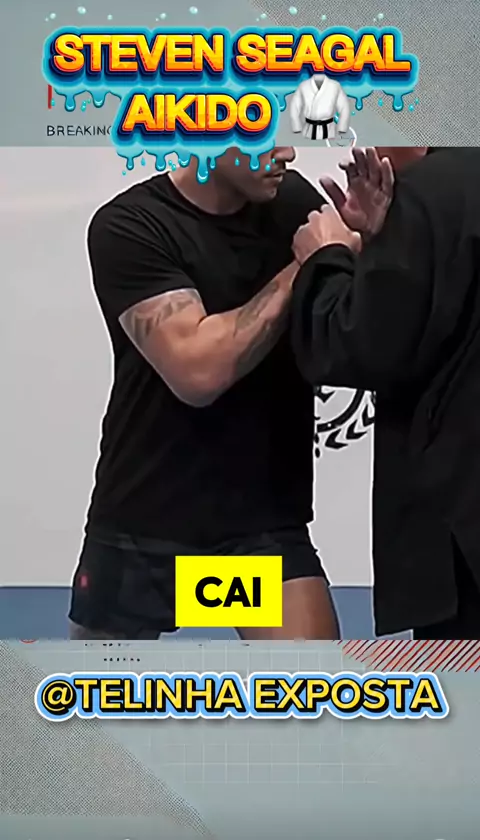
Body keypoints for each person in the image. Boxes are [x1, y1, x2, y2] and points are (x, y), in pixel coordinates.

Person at [68, 146, 354, 641]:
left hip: (257, 528)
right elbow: (197, 372)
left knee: (310, 688)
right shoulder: (131, 225)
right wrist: (306, 264)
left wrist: (368, 238)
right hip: (145, 527)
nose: (286, 152)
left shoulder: (293, 205)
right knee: (96, 694)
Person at [290, 146, 480, 639]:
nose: (361, 151)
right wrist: (385, 246)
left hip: (461, 534)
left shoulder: (430, 191)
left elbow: (358, 348)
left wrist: (326, 258)